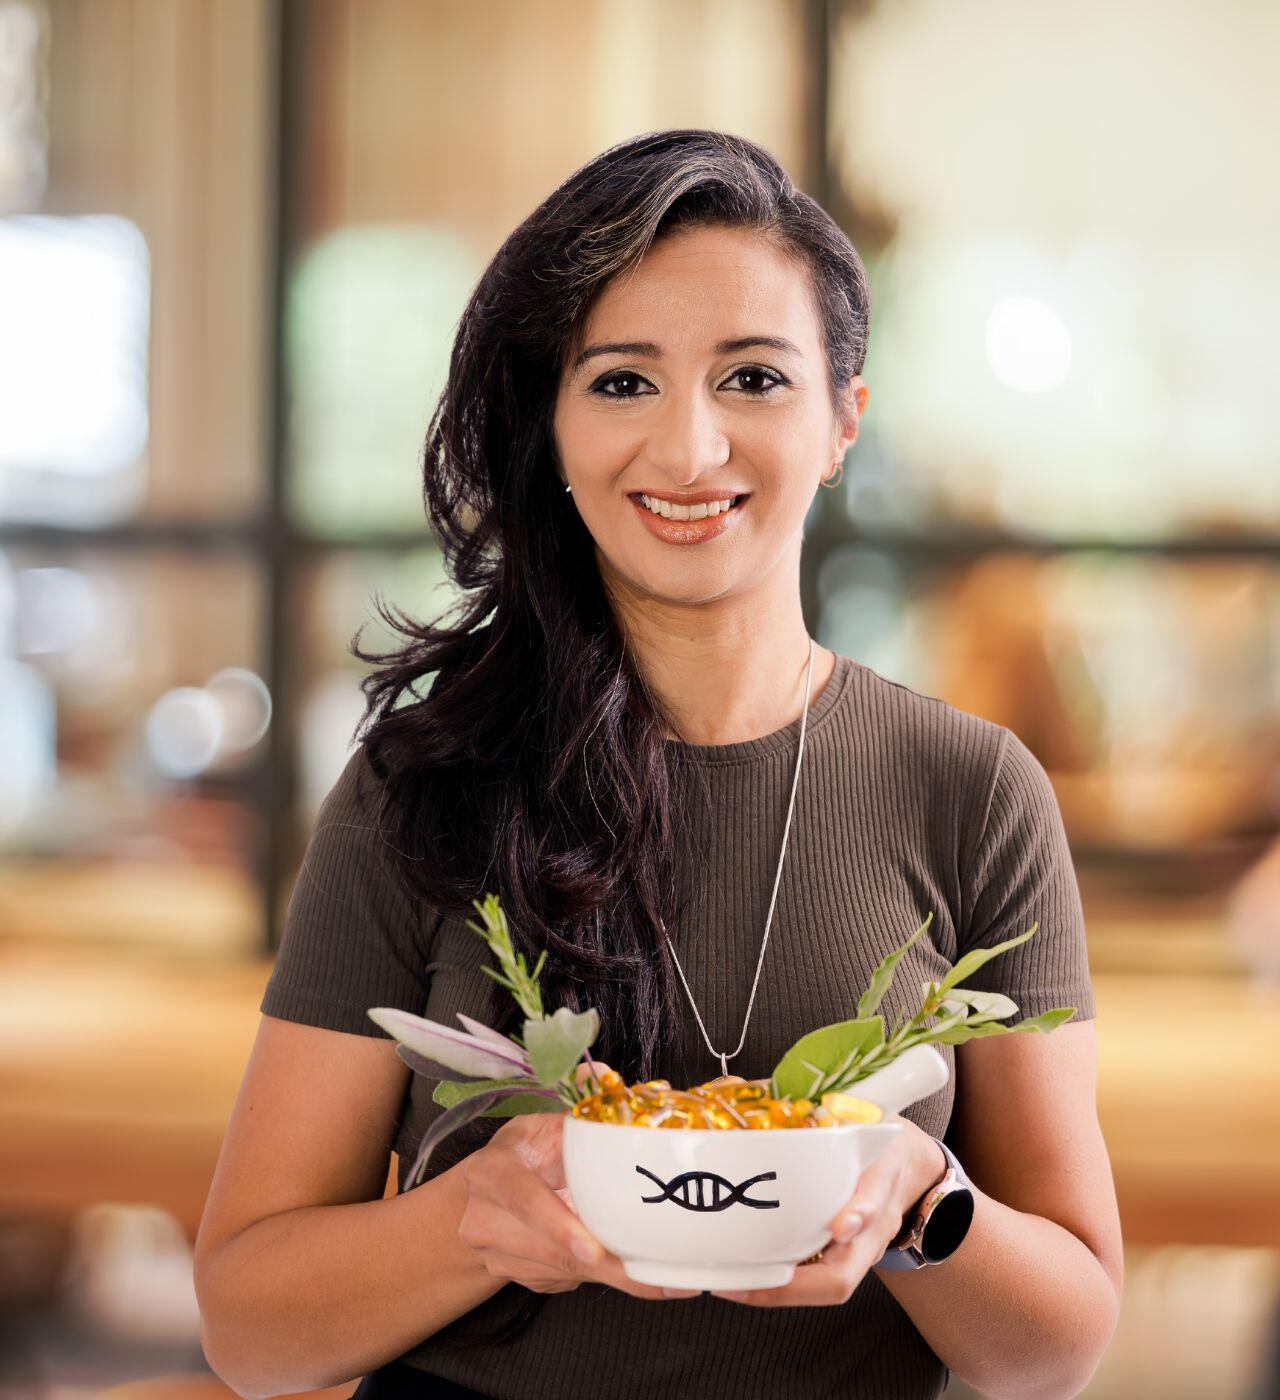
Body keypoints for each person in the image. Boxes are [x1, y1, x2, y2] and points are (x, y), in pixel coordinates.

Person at [192, 129, 1123, 1400]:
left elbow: (1058, 1344)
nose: (687, 452)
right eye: (623, 383)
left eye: (752, 378)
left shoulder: (972, 789)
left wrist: (925, 1202)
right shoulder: (426, 782)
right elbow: (250, 1327)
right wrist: (470, 1217)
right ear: (554, 424)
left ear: (844, 417)